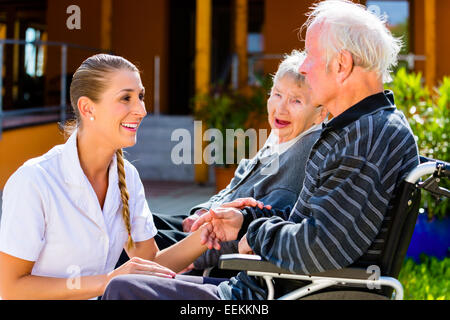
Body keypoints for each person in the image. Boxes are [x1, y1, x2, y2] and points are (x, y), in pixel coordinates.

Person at [102, 0, 419, 300]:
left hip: (256, 295)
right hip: (257, 286)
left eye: (310, 55)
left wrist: (254, 232)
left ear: (341, 64)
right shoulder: (363, 128)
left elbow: (318, 247)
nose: (304, 68)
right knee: (123, 277)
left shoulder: (366, 136)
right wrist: (245, 219)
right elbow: (313, 229)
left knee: (123, 289)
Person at [0, 54, 221, 300]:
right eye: (126, 98)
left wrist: (210, 229)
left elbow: (149, 266)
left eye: (141, 97)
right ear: (87, 108)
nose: (142, 110)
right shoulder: (34, 181)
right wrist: (106, 282)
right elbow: (10, 289)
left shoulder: (128, 176)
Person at [150, 49, 327, 273]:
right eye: (277, 94)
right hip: (205, 228)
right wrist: (202, 211)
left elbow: (259, 228)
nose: (280, 108)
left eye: (296, 101)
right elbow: (234, 187)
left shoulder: (303, 156)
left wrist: (195, 260)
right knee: (138, 226)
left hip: (214, 248)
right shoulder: (281, 137)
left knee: (131, 246)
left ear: (321, 113)